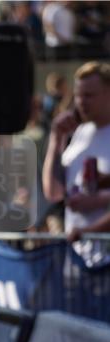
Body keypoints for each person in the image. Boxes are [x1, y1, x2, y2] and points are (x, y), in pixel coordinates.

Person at [42, 61, 110, 253]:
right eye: (78, 95)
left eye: (89, 95)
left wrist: (88, 229)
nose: (81, 102)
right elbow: (53, 192)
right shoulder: (80, 132)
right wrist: (56, 139)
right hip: (78, 260)